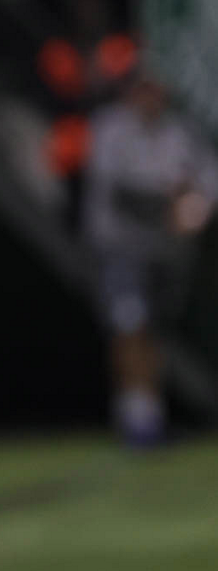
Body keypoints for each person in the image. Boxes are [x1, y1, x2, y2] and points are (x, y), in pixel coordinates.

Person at [83, 75, 218, 447]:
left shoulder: (179, 131)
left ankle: (150, 413)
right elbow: (120, 194)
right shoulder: (110, 128)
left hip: (165, 253)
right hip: (120, 247)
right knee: (130, 324)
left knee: (156, 333)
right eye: (144, 90)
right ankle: (136, 415)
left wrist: (194, 206)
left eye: (156, 90)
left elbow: (208, 181)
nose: (151, 98)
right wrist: (167, 206)